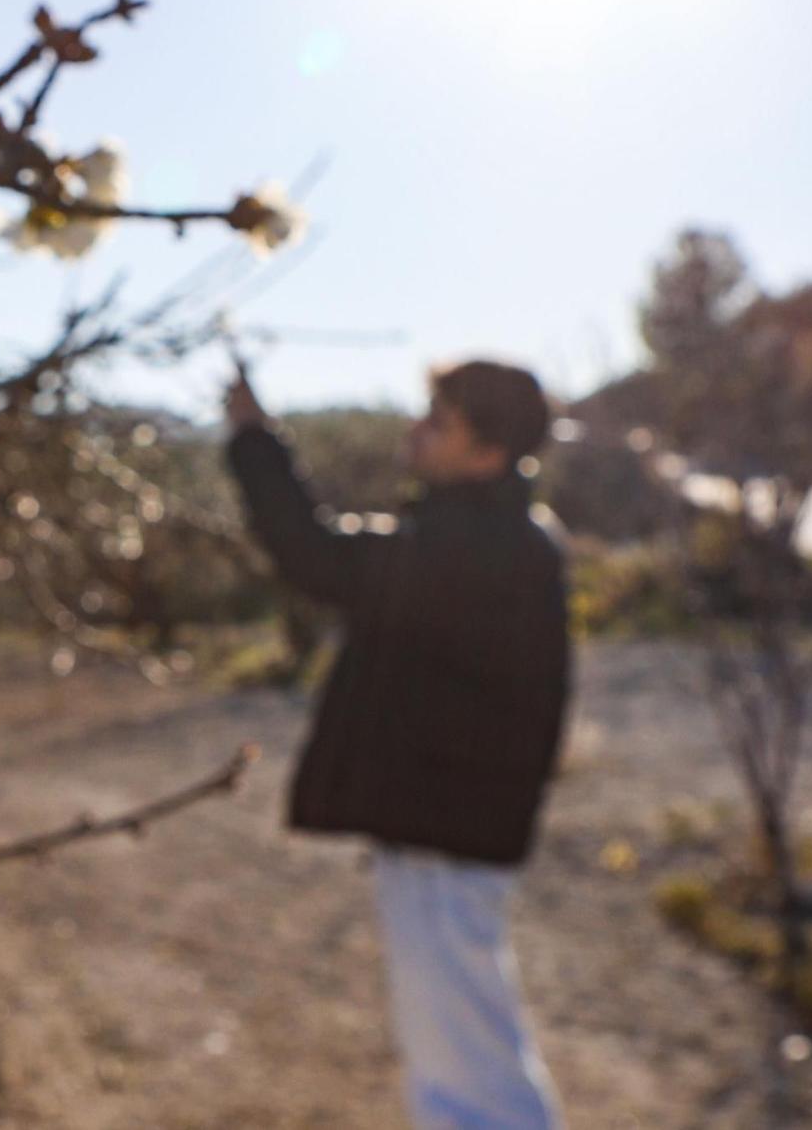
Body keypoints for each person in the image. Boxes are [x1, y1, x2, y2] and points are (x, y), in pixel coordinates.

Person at [223, 358, 570, 1130]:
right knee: (462, 1046)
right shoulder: (496, 535)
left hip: (448, 833)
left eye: (439, 421)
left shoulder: (483, 546)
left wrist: (254, 439)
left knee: (466, 1068)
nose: (416, 431)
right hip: (449, 825)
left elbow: (316, 555)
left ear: (488, 450)